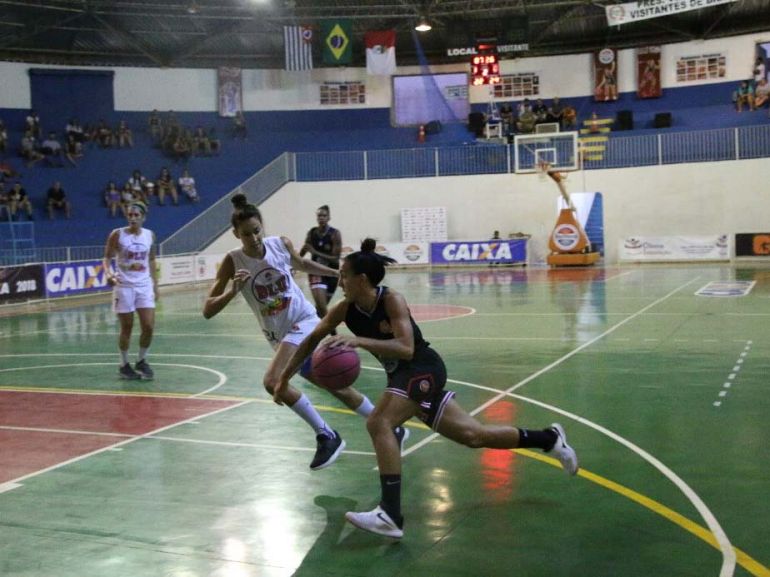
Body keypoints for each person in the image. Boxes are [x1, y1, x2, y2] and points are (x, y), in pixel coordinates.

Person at [273, 239, 579, 539]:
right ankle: (549, 438)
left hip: (423, 369)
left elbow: (406, 348)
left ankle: (390, 515)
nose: (339, 280)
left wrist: (358, 341)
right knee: (473, 435)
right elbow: (311, 339)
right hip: (403, 378)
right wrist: (284, 377)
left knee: (379, 422)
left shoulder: (391, 299)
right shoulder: (344, 309)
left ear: (361, 279)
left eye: (343, 275)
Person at [202, 194, 407, 471]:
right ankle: (391, 428)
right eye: (246, 234)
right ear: (236, 234)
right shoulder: (233, 261)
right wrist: (232, 292)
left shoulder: (280, 244)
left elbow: (302, 264)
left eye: (257, 230)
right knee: (334, 384)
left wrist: (337, 274)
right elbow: (208, 310)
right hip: (278, 336)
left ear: (262, 226)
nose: (254, 238)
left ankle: (326, 435)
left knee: (273, 380)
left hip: (303, 321)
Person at [102, 201, 158, 380]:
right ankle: (124, 365)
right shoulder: (117, 235)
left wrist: (155, 285)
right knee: (127, 327)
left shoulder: (150, 235)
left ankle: (141, 360)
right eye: (130, 215)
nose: (133, 218)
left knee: (148, 326)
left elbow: (151, 260)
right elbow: (106, 258)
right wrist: (110, 274)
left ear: (143, 217)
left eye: (136, 215)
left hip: (144, 285)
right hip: (124, 286)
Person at [299, 205, 342, 321]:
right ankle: (334, 335)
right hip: (316, 272)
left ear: (329, 218)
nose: (321, 218)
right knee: (323, 309)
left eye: (324, 215)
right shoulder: (312, 233)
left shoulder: (334, 234)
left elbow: (335, 259)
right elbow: (305, 249)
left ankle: (308, 329)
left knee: (320, 310)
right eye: (319, 216)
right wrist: (293, 264)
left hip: (331, 273)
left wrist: (315, 252)